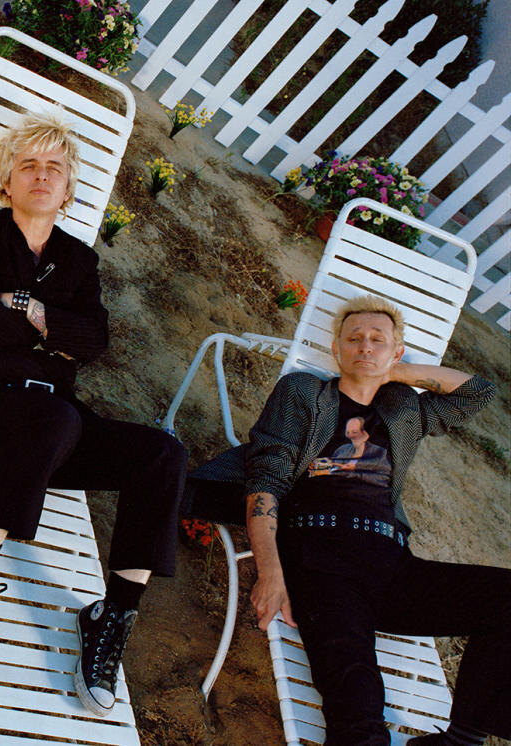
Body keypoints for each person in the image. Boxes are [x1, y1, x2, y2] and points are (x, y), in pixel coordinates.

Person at [0, 112, 187, 716]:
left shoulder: (78, 261)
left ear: (68, 189)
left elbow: (94, 342)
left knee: (163, 453)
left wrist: (22, 307)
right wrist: (51, 330)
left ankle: (111, 616)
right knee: (56, 418)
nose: (41, 176)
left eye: (54, 168)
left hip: (53, 423)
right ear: (7, 181)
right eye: (28, 165)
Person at [198, 295, 509, 745]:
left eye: (378, 340)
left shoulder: (404, 408)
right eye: (354, 339)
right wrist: (271, 572)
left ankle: (460, 740)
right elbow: (265, 480)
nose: (365, 346)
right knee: (357, 703)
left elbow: (479, 392)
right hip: (321, 561)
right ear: (337, 349)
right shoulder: (304, 393)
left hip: (392, 565)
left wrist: (393, 373)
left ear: (397, 352)